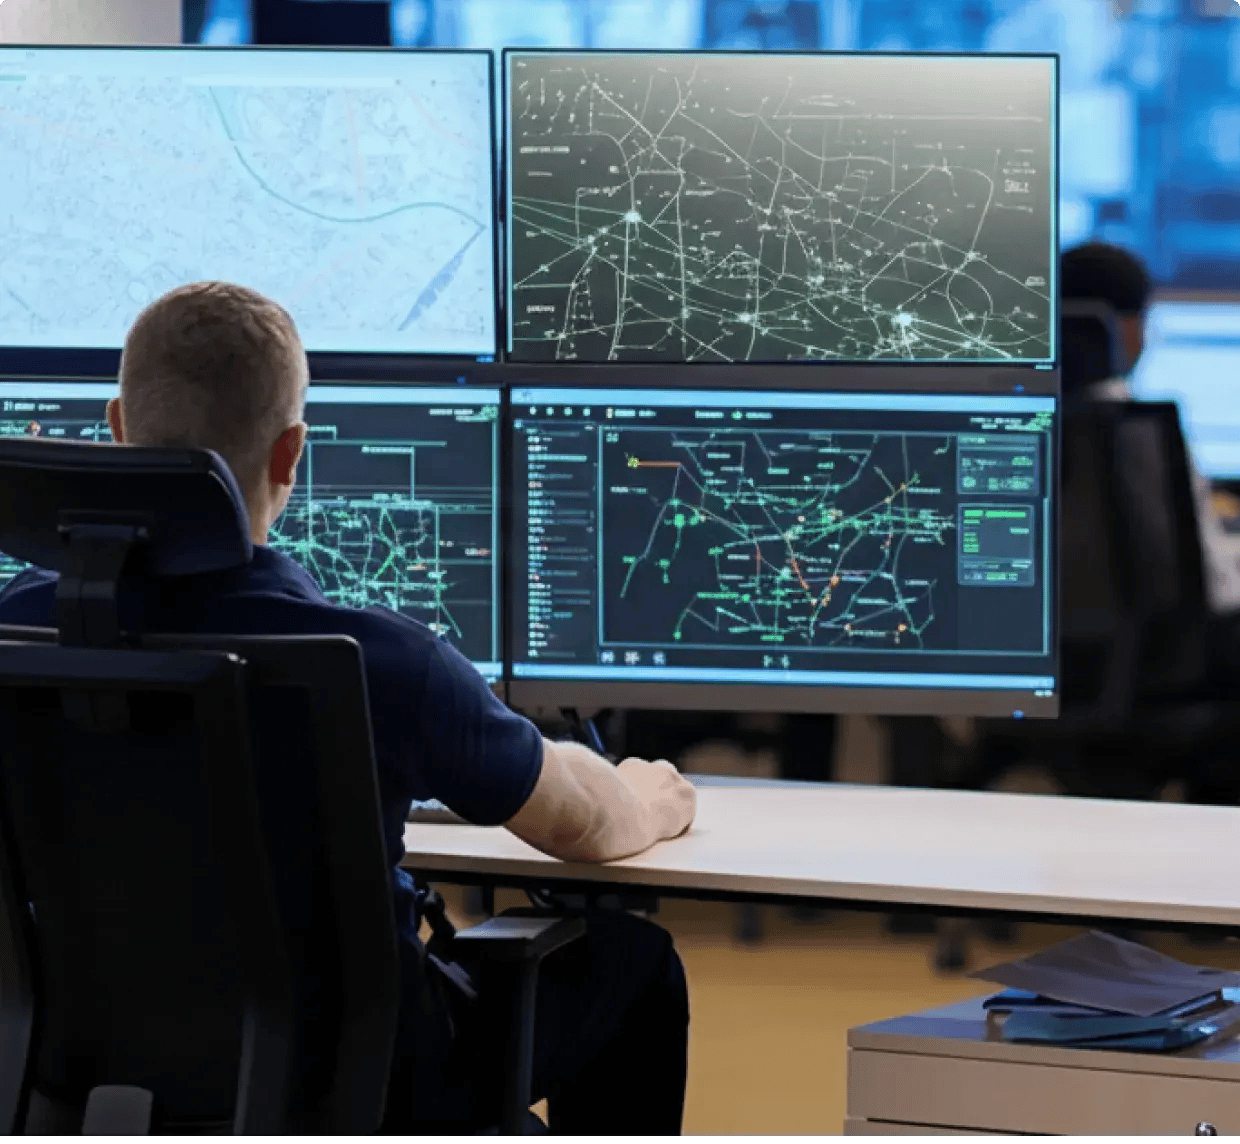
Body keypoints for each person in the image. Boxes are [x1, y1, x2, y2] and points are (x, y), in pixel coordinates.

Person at [0, 282, 697, 1134]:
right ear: (291, 453)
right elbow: (584, 825)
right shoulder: (379, 660)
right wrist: (648, 797)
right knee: (634, 962)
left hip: (89, 1071)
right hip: (363, 1081)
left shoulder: (17, 635)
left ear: (117, 427)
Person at [1060, 241, 1240, 616]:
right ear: (1127, 327)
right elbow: (1215, 589)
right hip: (1148, 651)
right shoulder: (1134, 428)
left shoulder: (1011, 422)